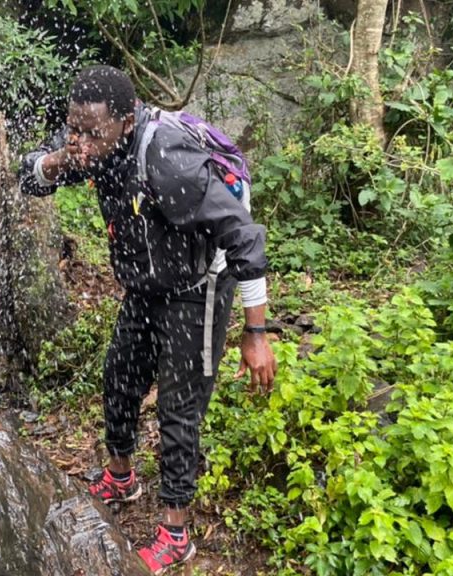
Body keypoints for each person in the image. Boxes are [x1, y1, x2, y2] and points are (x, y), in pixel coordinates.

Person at [19, 65, 277, 575]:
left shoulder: (167, 159)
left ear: (127, 120)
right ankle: (121, 476)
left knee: (179, 409)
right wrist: (60, 156)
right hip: (145, 287)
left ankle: (176, 532)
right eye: (75, 128)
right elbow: (30, 177)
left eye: (92, 131)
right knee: (120, 377)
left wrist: (256, 333)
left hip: (197, 288)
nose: (82, 140)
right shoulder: (88, 141)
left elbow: (245, 236)